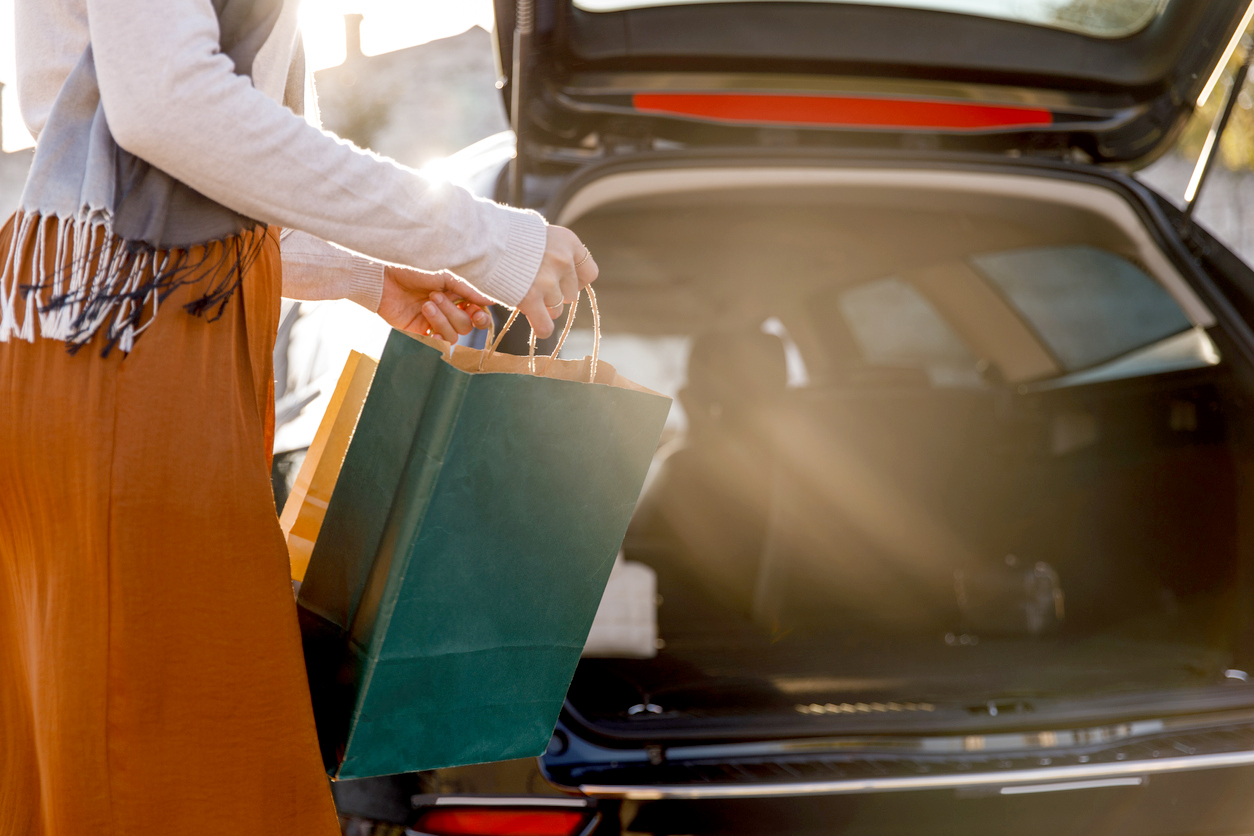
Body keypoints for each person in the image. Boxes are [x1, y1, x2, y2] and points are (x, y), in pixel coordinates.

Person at [0, 1, 597, 833]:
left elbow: (210, 159)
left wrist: (365, 272)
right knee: (173, 776)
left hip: (144, 331)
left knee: (179, 763)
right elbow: (168, 103)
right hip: (133, 344)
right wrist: (471, 233)